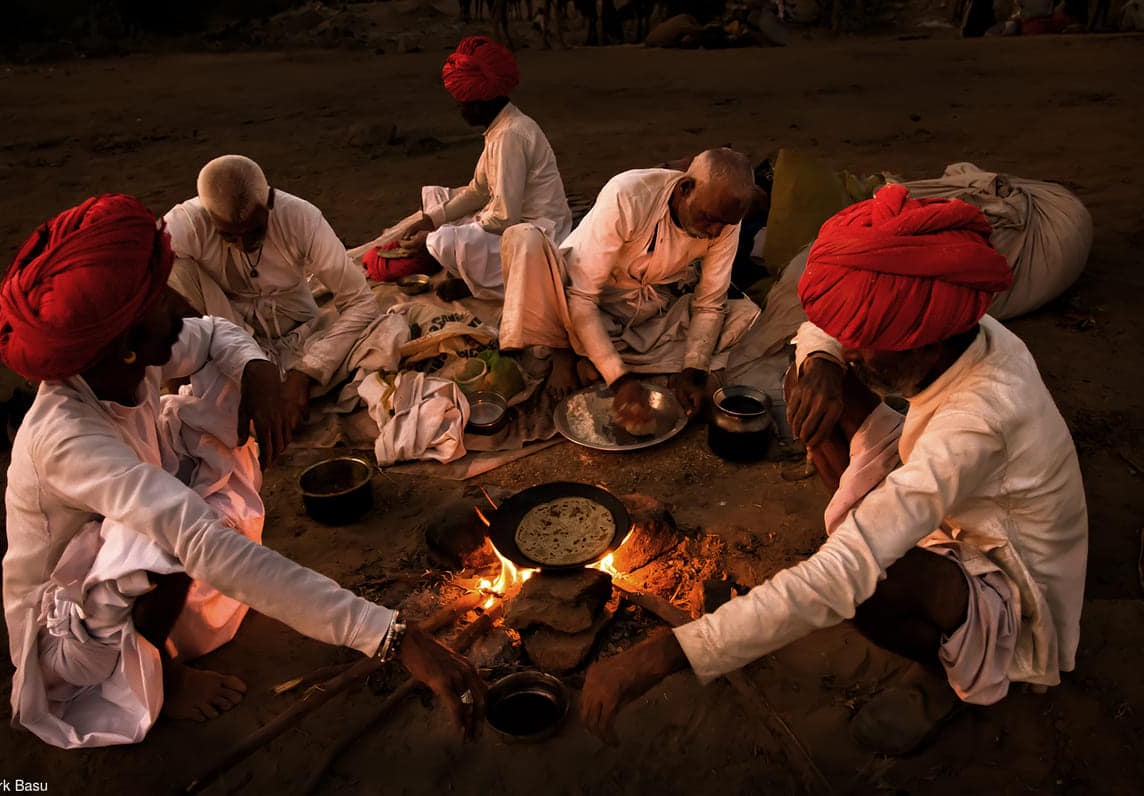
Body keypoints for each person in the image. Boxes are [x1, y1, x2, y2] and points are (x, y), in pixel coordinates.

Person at [580, 185, 1088, 754]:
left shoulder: (979, 420)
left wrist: (668, 652)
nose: (858, 352)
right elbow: (827, 323)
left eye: (873, 344)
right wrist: (822, 359)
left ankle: (946, 673)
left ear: (922, 343)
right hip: (946, 495)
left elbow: (846, 572)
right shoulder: (956, 325)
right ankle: (867, 536)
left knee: (867, 582)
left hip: (1006, 572)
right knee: (811, 381)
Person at [0, 195, 483, 749]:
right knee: (155, 536)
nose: (180, 305)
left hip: (160, 540)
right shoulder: (66, 436)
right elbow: (192, 538)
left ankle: (192, 612)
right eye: (161, 296)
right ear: (126, 344)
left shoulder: (122, 366)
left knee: (228, 383)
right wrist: (394, 637)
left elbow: (214, 334)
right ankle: (159, 671)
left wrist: (259, 373)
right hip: (76, 636)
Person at [499, 147, 762, 422]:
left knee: (747, 316)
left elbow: (710, 303)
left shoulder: (724, 219)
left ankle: (596, 359)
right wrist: (620, 381)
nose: (714, 232)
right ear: (685, 188)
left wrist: (693, 370)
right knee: (525, 239)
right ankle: (564, 354)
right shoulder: (628, 194)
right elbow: (582, 299)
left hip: (645, 310)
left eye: (725, 224)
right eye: (708, 219)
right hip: (577, 301)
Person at [166, 155, 391, 431]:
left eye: (254, 232)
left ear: (270, 200)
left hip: (303, 334)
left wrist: (306, 372)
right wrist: (184, 365)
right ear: (208, 215)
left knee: (390, 330)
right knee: (168, 269)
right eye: (228, 236)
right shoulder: (187, 222)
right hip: (229, 335)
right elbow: (140, 276)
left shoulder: (301, 217)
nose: (243, 244)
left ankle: (278, 387)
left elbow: (360, 301)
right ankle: (200, 390)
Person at [398, 35, 571, 302]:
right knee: (438, 202)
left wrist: (435, 235)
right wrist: (431, 220)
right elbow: (479, 190)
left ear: (478, 103)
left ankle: (488, 284)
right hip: (514, 221)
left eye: (461, 104)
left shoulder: (509, 136)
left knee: (442, 242)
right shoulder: (501, 126)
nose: (459, 110)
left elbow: (504, 218)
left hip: (538, 238)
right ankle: (472, 273)